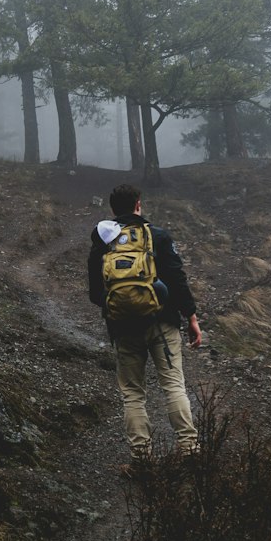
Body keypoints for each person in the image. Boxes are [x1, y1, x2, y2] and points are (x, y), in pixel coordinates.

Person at [87, 183, 202, 467]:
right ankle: (189, 450)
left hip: (123, 327)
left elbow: (94, 293)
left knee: (133, 394)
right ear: (139, 204)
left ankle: (142, 461)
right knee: (174, 385)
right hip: (163, 322)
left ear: (113, 210)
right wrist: (191, 317)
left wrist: (120, 306)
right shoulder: (158, 236)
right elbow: (177, 280)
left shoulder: (103, 241)